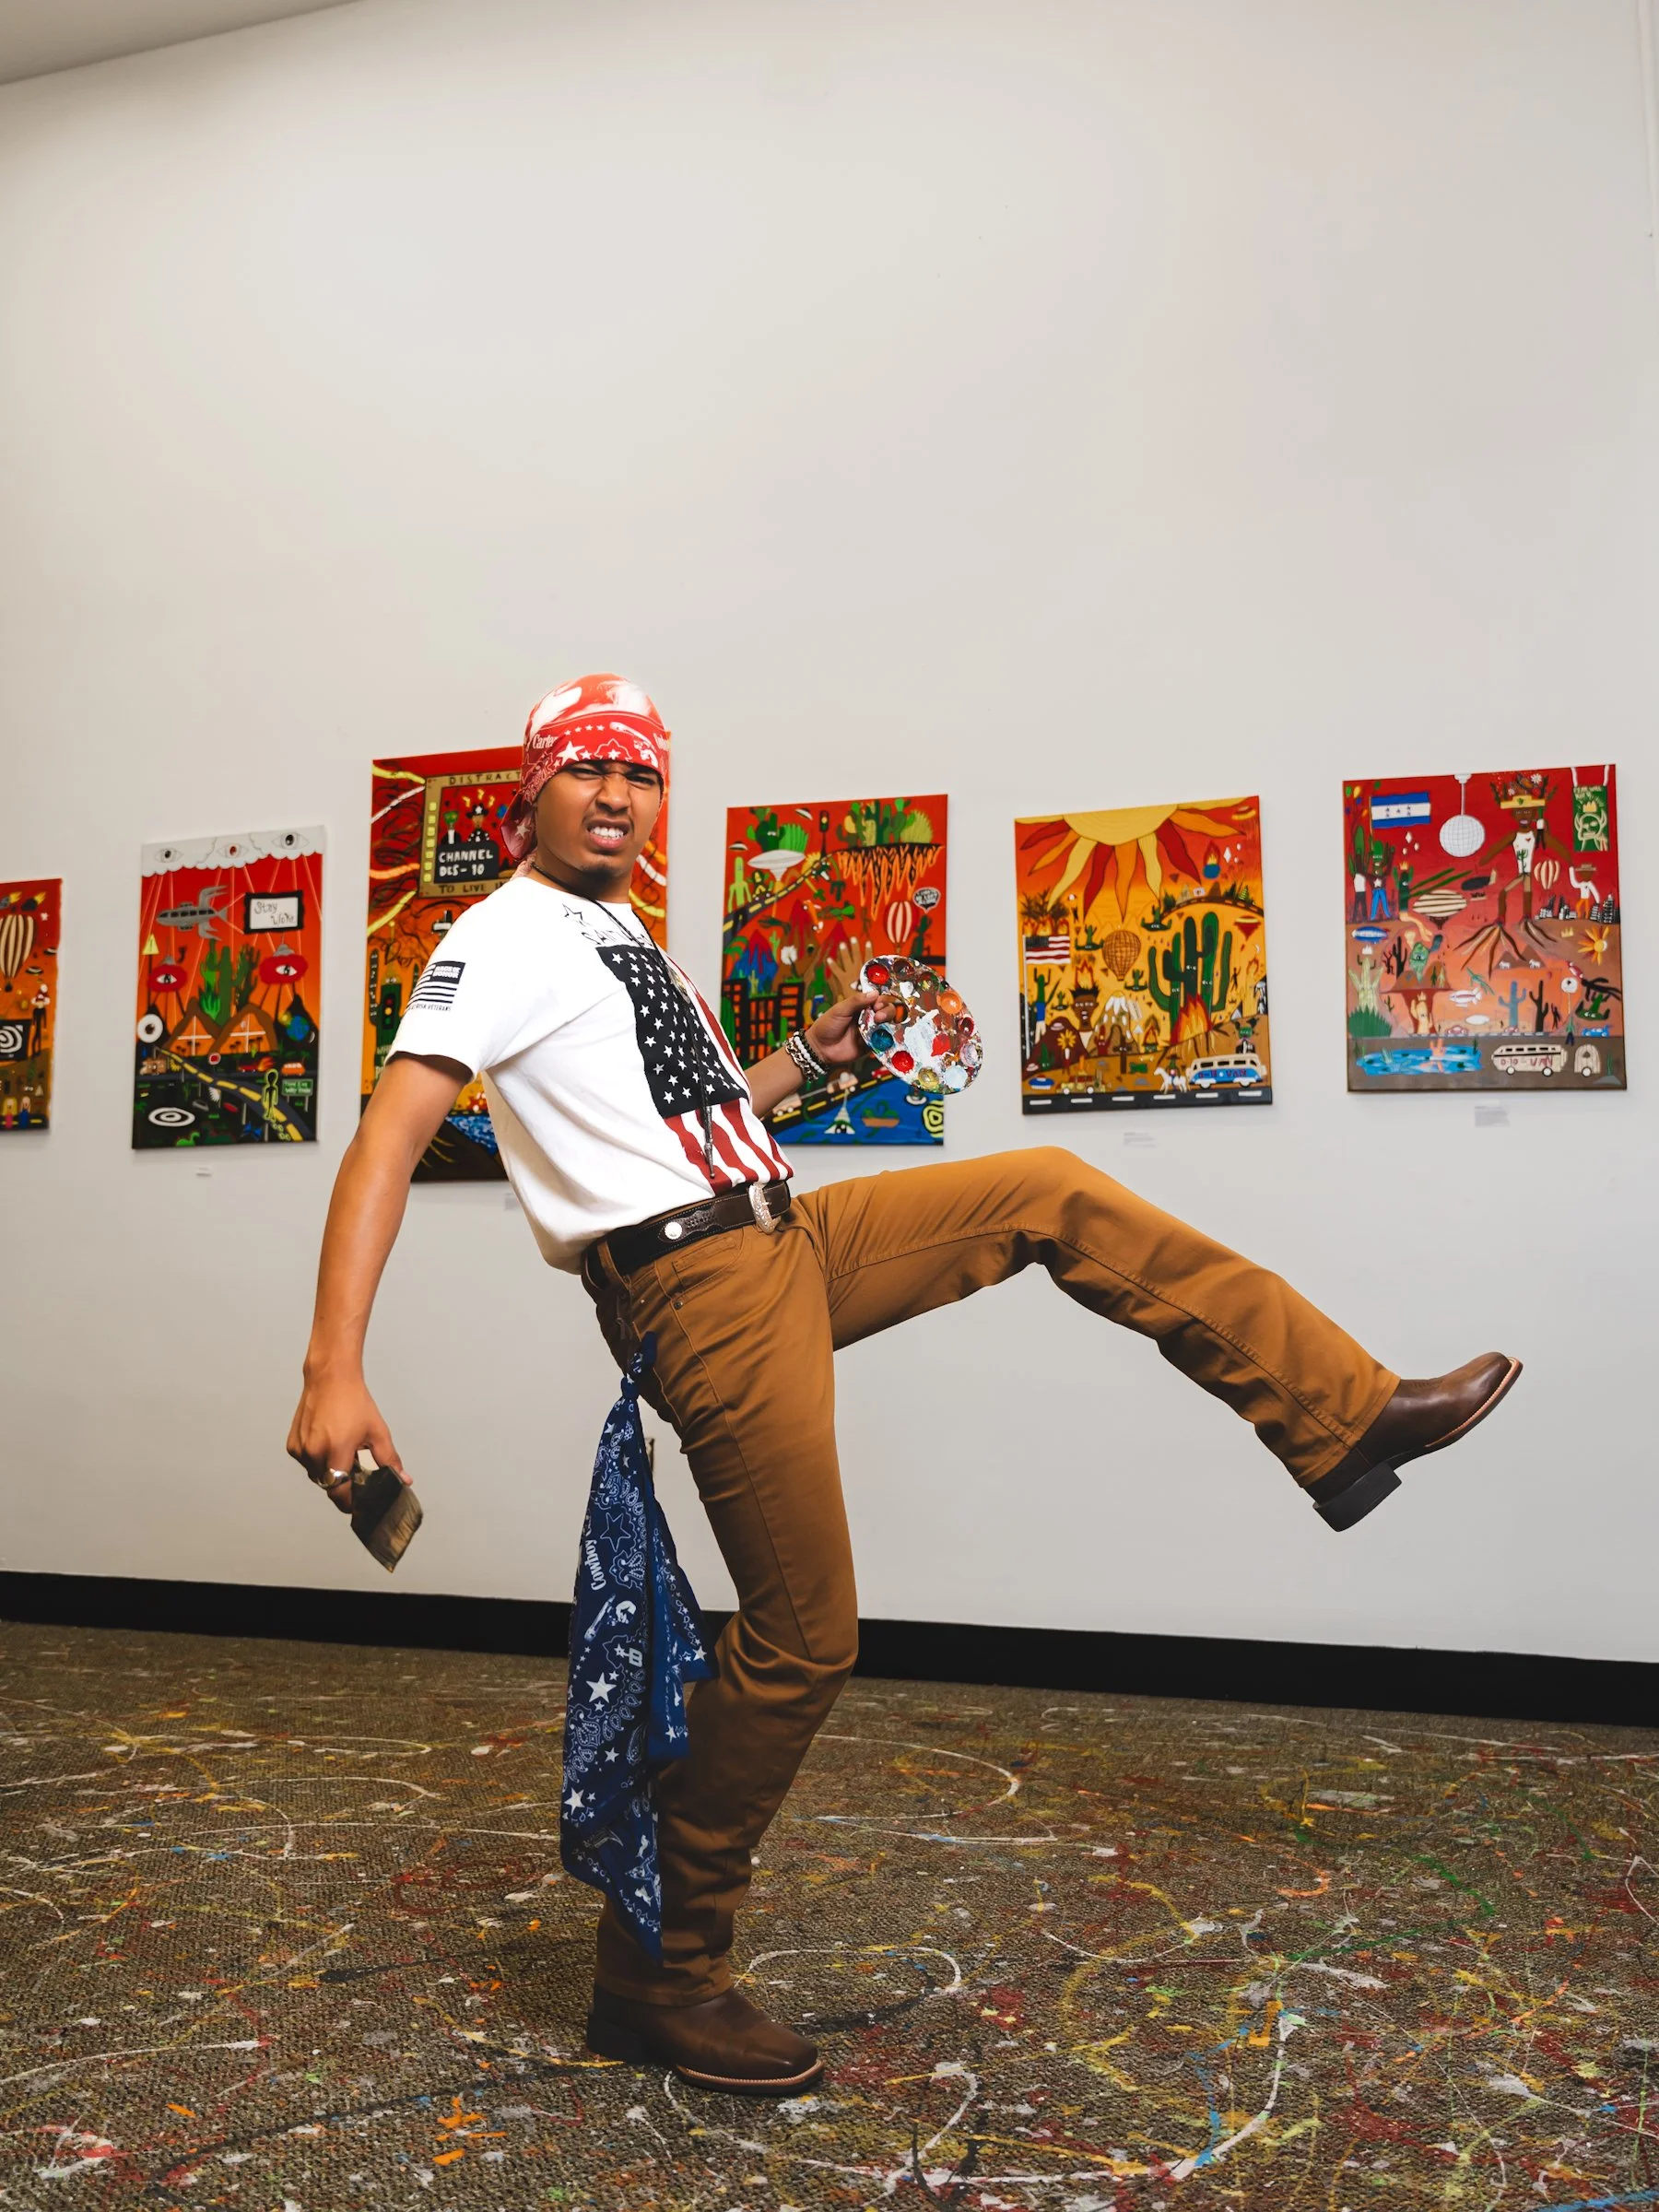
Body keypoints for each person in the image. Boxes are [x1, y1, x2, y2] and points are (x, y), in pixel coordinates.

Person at [287, 673, 1521, 2098]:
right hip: (700, 1289)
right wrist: (334, 1367)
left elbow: (687, 1126)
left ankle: (1342, 1417)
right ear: (535, 788)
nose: (619, 794)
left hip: (780, 1234)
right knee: (806, 1639)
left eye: (643, 772)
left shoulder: (618, 929)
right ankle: (660, 1972)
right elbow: (387, 1140)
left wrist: (808, 1061)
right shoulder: (497, 935)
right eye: (589, 769)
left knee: (1049, 1189)